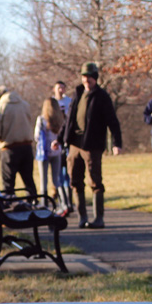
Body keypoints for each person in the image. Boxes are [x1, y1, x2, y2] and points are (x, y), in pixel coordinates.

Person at [62, 62, 122, 229]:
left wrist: (117, 143)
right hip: (75, 144)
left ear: (95, 78)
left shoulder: (102, 97)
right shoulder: (78, 93)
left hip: (92, 145)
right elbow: (69, 120)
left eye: (89, 77)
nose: (86, 80)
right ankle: (82, 217)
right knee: (75, 180)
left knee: (95, 181)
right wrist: (60, 138)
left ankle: (98, 218)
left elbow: (113, 121)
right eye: (84, 77)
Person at [0, 85, 37, 197]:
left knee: (8, 182)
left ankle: (11, 202)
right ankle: (33, 201)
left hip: (10, 149)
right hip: (27, 147)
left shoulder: (0, 109)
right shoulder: (25, 105)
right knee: (28, 180)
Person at [34, 94, 66, 210]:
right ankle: (64, 202)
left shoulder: (42, 120)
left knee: (44, 180)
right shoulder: (61, 120)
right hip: (57, 152)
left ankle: (44, 204)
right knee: (56, 179)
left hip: (44, 153)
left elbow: (36, 136)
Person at [52, 81, 73, 211]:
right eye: (58, 87)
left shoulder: (69, 101)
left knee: (67, 173)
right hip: (55, 141)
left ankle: (69, 202)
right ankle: (62, 202)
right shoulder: (51, 102)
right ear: (54, 89)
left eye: (63, 87)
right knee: (58, 174)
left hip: (67, 141)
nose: (61, 90)